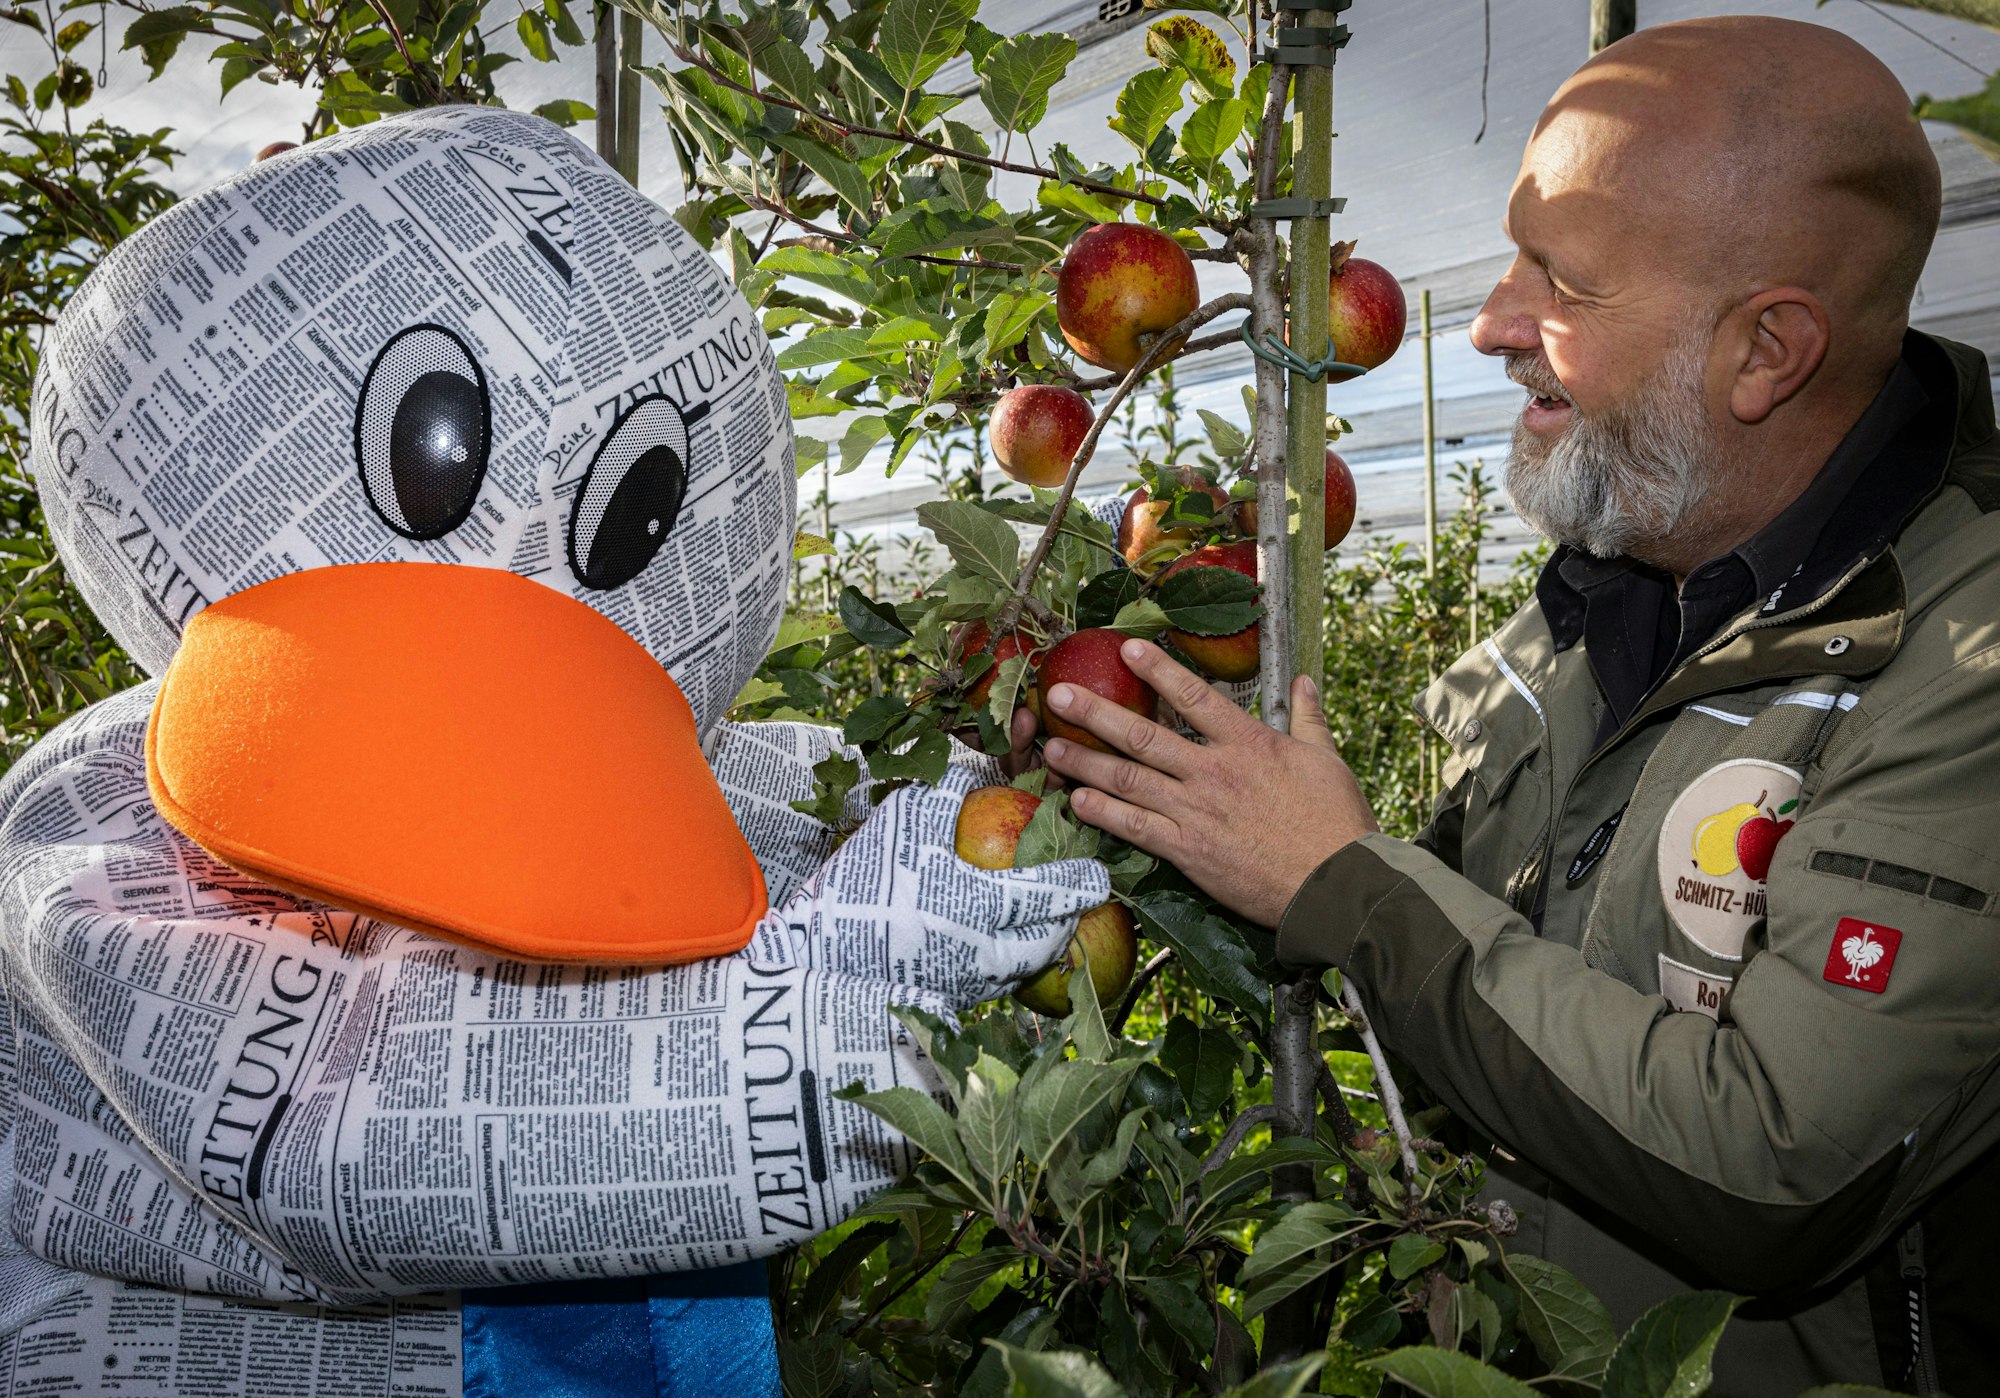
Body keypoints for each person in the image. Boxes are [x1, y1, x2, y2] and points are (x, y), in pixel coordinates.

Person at [1032, 15, 2000, 1394]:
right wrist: (1197, 827)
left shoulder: (1965, 662)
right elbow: (1475, 1002)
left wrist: (1339, 878)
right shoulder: (1577, 620)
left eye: (1562, 280)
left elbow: (1778, 1171)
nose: (1489, 322)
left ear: (1764, 351)